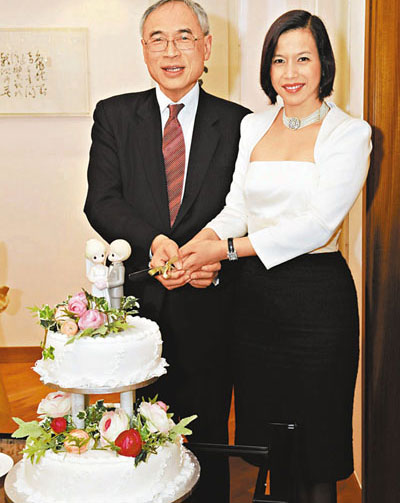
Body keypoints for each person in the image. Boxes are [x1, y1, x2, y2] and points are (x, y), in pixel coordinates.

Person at [181, 9, 371, 503]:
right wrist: (200, 243)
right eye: (279, 60)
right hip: (256, 301)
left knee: (317, 444)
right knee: (273, 443)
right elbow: (237, 208)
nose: (290, 72)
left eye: (303, 58)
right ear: (268, 67)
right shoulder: (254, 125)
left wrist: (227, 249)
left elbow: (319, 224)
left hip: (318, 300)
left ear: (323, 63)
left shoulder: (350, 134)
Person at [84, 0, 250, 501]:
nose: (171, 51)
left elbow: (246, 209)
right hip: (138, 310)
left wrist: (213, 263)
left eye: (184, 37)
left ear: (207, 46)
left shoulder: (241, 124)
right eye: (158, 39)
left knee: (207, 440)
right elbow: (101, 200)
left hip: (211, 305)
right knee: (135, 439)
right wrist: (152, 241)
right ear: (143, 49)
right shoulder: (114, 115)